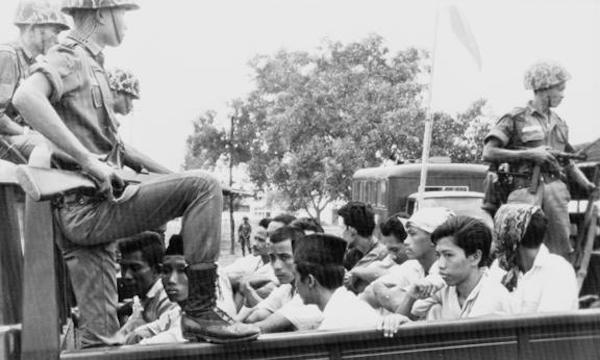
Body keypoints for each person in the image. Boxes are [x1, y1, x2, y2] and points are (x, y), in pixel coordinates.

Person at [12, 0, 258, 345]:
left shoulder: (93, 64)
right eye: (122, 13)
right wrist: (88, 161)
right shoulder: (70, 56)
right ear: (100, 13)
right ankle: (201, 311)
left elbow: (121, 151)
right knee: (204, 186)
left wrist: (170, 175)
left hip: (87, 209)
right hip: (87, 208)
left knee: (101, 338)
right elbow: (26, 98)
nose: (126, 22)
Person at [482, 60, 595, 258]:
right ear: (544, 88)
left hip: (555, 192)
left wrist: (588, 186)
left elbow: (568, 162)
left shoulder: (560, 123)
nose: (563, 94)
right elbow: (488, 153)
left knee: (560, 251)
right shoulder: (515, 118)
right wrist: (530, 154)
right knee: (517, 247)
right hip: (523, 189)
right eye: (560, 89)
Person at [0, 0, 70, 163]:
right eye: (55, 32)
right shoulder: (8, 55)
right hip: (4, 141)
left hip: (12, 141)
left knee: (67, 146)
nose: (58, 40)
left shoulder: (32, 64)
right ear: (35, 28)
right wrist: (27, 133)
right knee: (52, 150)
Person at [362, 207, 454, 314]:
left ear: (434, 238)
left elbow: (409, 310)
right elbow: (368, 293)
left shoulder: (445, 272)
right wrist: (386, 292)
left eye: (413, 234)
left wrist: (381, 290)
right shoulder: (412, 266)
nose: (405, 241)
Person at [491, 203, 578, 313]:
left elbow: (548, 325)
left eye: (499, 235)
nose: (495, 244)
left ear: (511, 240)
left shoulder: (558, 271)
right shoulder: (499, 269)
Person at [237, 226, 323, 332]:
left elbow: (262, 327)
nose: (277, 266)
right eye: (272, 258)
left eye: (285, 257)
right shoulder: (286, 288)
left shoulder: (310, 290)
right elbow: (255, 316)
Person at [294, 233, 379, 331]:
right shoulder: (350, 305)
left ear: (310, 281)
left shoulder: (332, 325)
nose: (296, 285)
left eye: (296, 276)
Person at [117, 232, 176, 335]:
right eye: (123, 268)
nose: (127, 276)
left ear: (157, 270)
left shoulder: (169, 299)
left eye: (135, 268)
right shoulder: (141, 299)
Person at [337, 201, 388, 293]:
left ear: (352, 231)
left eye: (342, 228)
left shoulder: (380, 255)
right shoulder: (354, 254)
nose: (340, 233)